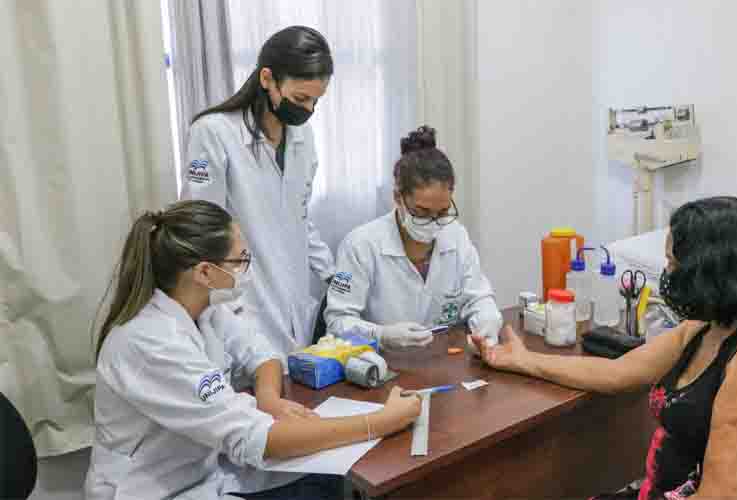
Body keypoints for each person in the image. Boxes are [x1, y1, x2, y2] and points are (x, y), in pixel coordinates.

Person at [472, 197, 737, 500]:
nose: (668, 274)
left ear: (711, 273)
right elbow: (618, 372)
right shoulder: (707, 329)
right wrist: (521, 360)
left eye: (674, 264)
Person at [84, 200, 420, 500]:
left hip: (202, 469)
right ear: (205, 272)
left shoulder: (205, 310)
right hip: (151, 488)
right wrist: (380, 422)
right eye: (240, 260)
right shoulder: (151, 342)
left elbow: (263, 355)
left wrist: (268, 399)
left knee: (322, 479)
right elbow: (256, 437)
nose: (247, 270)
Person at [182, 26, 335, 360]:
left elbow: (299, 217)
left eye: (316, 101)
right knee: (255, 380)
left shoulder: (303, 138)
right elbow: (199, 232)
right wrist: (226, 301)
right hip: (241, 304)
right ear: (267, 78)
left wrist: (332, 274)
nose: (308, 110)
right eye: (300, 99)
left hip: (292, 302)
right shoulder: (214, 132)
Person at [324, 126, 502, 351]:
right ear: (398, 197)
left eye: (442, 212)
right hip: (383, 362)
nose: (433, 222)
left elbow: (479, 298)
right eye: (421, 212)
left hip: (443, 359)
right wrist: (382, 335)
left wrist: (487, 326)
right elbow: (337, 322)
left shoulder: (456, 236)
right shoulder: (359, 246)